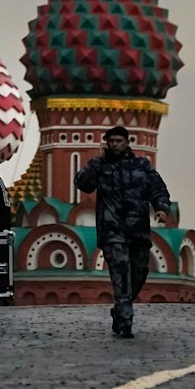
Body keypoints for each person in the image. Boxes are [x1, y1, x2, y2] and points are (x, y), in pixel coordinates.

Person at [73, 125, 173, 339]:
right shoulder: (101, 166)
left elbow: (157, 188)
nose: (115, 144)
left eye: (119, 141)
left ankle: (120, 309)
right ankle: (126, 322)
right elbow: (83, 184)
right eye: (112, 141)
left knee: (138, 272)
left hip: (138, 231)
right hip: (112, 231)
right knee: (120, 275)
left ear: (127, 143)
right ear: (107, 143)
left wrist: (162, 208)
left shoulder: (141, 165)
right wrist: (96, 161)